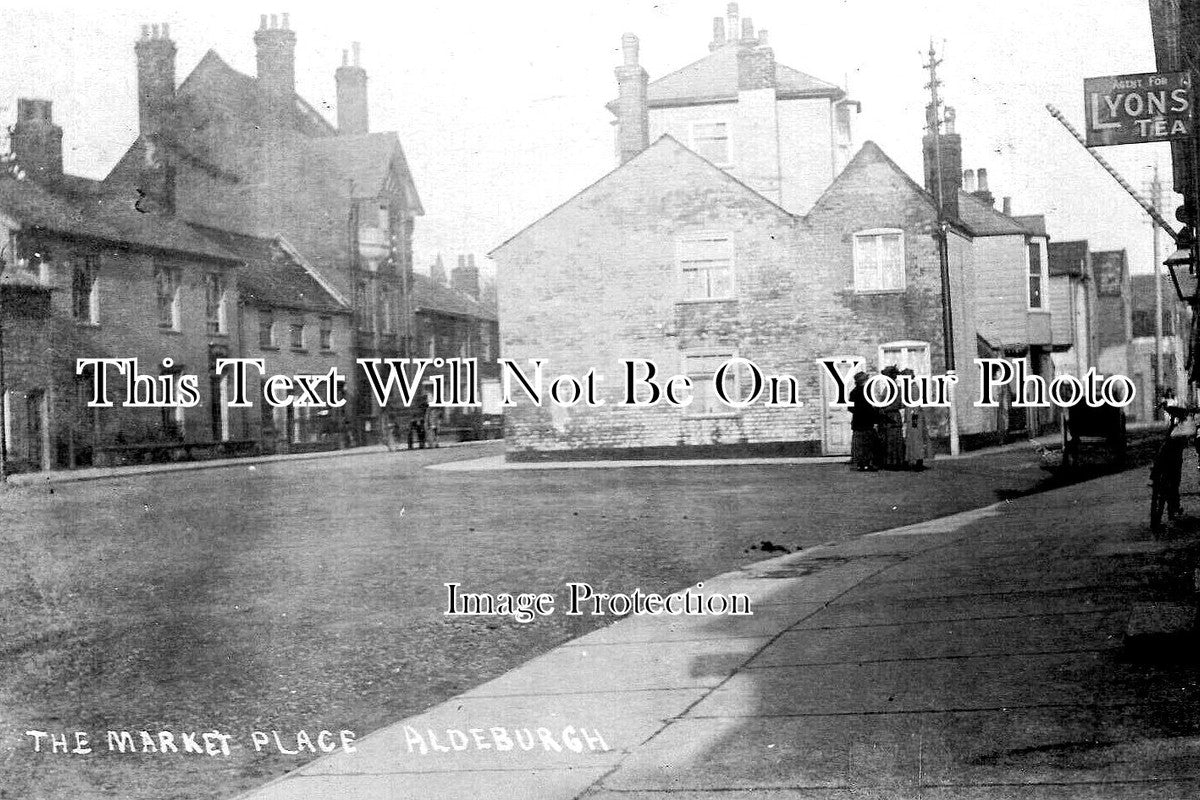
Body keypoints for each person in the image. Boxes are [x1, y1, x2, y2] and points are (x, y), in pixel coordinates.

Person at [900, 368, 933, 469]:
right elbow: (915, 404)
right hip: (915, 415)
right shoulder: (913, 387)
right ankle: (917, 461)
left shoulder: (907, 388)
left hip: (912, 415)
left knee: (913, 438)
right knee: (916, 437)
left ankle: (911, 459)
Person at [877, 365, 906, 470]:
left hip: (889, 416)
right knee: (894, 439)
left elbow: (896, 403)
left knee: (891, 439)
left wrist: (883, 408)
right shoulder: (897, 388)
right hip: (894, 416)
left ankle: (892, 462)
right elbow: (902, 404)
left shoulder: (891, 388)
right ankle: (897, 461)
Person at [848, 371, 878, 471]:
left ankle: (860, 464)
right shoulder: (867, 392)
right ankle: (867, 464)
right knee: (868, 444)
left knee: (859, 445)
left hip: (857, 422)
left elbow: (850, 408)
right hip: (867, 422)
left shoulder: (853, 392)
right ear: (864, 381)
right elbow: (871, 408)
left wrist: (858, 412)